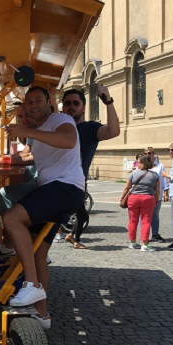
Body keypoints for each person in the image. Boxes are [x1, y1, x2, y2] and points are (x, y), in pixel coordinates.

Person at [1, 86, 85, 329]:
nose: (33, 105)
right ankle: (42, 314)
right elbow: (26, 157)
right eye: (29, 102)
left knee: (12, 219)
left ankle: (31, 285)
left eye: (38, 100)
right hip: (60, 191)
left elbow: (68, 140)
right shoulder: (37, 133)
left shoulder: (61, 119)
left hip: (64, 188)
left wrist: (27, 131)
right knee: (38, 251)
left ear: (49, 101)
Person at [62, 86, 120, 249]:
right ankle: (73, 237)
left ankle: (74, 237)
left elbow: (113, 131)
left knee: (80, 213)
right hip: (54, 179)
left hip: (77, 181)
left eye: (76, 103)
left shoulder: (89, 128)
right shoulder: (58, 127)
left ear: (83, 107)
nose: (71, 106)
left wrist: (108, 101)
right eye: (67, 103)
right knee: (71, 213)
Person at [0, 104, 37, 259]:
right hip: (37, 180)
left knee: (4, 195)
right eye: (20, 117)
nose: (24, 120)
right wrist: (2, 159)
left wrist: (0, 160)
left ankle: (12, 245)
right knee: (8, 194)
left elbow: (30, 157)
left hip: (45, 183)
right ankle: (16, 243)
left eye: (26, 115)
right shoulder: (32, 132)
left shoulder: (39, 131)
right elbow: (25, 153)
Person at [120, 154, 160, 252]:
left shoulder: (133, 173)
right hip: (147, 198)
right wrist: (156, 200)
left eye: (139, 162)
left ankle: (133, 243)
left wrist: (122, 198)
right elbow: (157, 190)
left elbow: (127, 187)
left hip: (133, 198)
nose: (137, 163)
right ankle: (145, 244)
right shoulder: (154, 175)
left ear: (142, 164)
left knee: (132, 220)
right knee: (146, 221)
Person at [145, 146, 169, 242]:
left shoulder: (160, 166)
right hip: (145, 193)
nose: (147, 155)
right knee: (145, 215)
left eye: (149, 153)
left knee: (155, 214)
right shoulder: (142, 165)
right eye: (146, 153)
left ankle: (155, 233)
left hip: (156, 194)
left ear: (153, 154)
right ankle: (145, 235)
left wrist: (166, 192)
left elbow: (164, 180)